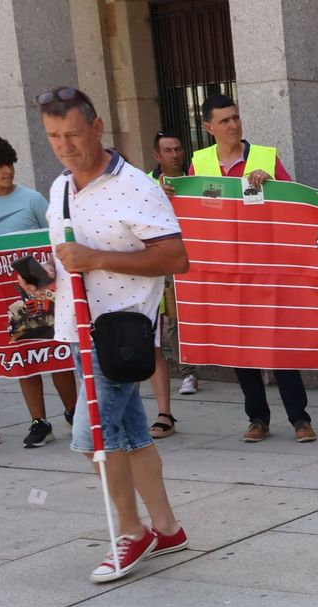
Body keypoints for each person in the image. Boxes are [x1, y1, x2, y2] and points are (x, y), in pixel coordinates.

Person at [38, 86, 189, 581]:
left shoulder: (137, 186)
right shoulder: (60, 186)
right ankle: (165, 526)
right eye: (55, 136)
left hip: (119, 334)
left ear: (98, 125)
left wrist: (98, 258)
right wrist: (46, 276)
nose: (65, 145)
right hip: (77, 327)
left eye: (74, 134)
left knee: (93, 438)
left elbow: (175, 258)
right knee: (130, 434)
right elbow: (69, 254)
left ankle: (131, 532)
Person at [188, 93, 313, 444]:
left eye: (236, 117)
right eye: (225, 120)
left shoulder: (264, 158)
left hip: (267, 267)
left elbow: (294, 203)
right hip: (226, 270)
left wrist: (272, 186)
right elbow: (199, 214)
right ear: (208, 127)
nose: (233, 125)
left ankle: (299, 418)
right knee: (239, 344)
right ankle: (257, 417)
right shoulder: (200, 164)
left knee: (279, 342)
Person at [0, 135, 78, 448]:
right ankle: (39, 421)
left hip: (46, 291)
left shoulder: (33, 200)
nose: (7, 170)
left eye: (10, 163)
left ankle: (74, 412)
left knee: (57, 353)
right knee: (23, 354)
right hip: (4, 296)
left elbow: (54, 242)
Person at [147, 129, 192, 434]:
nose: (175, 154)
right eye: (169, 150)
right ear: (157, 156)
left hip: (196, 258)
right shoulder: (146, 184)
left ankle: (194, 367)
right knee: (173, 320)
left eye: (178, 148)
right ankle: (187, 371)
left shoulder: (196, 177)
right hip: (163, 264)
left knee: (194, 317)